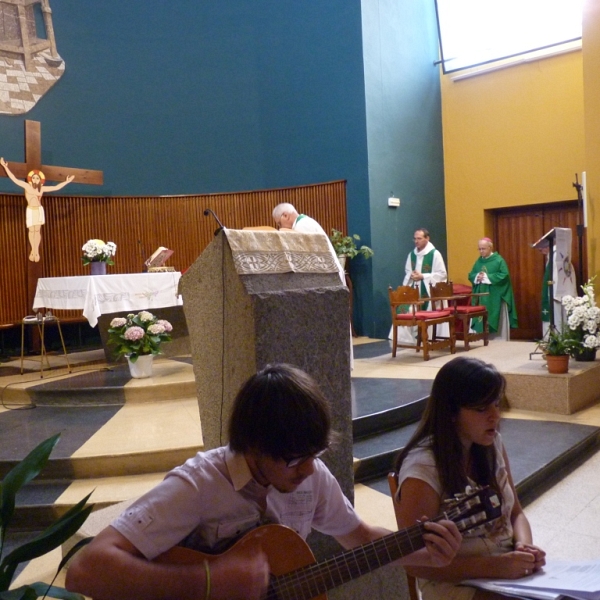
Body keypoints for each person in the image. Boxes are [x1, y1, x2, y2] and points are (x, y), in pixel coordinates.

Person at [66, 364, 462, 600]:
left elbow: (357, 536)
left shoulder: (310, 472)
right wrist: (207, 581)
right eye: (293, 460)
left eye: (315, 455)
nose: (308, 470)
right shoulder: (199, 484)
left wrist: (425, 553)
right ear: (253, 446)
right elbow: (87, 570)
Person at [394, 356, 546, 600]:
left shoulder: (491, 443)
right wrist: (496, 566)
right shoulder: (423, 468)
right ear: (452, 411)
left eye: (496, 404)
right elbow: (415, 563)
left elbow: (515, 513)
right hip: (453, 581)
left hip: (503, 569)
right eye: (481, 408)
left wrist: (524, 547)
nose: (495, 416)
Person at [0, 157, 74, 262]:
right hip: (30, 210)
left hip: (39, 210)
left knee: (37, 230)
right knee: (32, 230)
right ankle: (33, 250)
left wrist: (66, 182)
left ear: (40, 180)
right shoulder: (27, 186)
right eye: (34, 178)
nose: (35, 179)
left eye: (37, 178)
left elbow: (56, 188)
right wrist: (5, 167)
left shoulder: (42, 188)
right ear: (31, 179)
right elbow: (14, 179)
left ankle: (36, 250)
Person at [389, 228, 448, 342]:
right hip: (414, 291)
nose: (416, 241)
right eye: (415, 239)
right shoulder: (412, 254)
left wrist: (423, 276)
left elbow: (442, 274)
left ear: (427, 238)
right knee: (405, 309)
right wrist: (412, 275)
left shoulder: (435, 254)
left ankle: (429, 337)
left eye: (419, 238)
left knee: (429, 310)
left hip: (430, 293)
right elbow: (407, 271)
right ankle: (405, 339)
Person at [468, 238, 518, 340]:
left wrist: (487, 277)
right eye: (479, 249)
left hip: (495, 296)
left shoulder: (498, 260)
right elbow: (471, 274)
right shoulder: (479, 261)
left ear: (490, 248)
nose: (481, 251)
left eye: (483, 249)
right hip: (481, 296)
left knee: (495, 317)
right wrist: (477, 276)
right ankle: (481, 338)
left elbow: (504, 276)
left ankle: (498, 340)